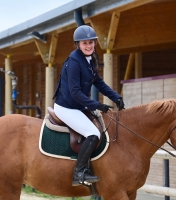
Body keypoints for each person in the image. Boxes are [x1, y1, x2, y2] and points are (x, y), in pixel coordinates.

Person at [52, 25, 125, 186]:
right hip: (66, 107)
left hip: (77, 106)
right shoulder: (73, 62)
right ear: (78, 44)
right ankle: (79, 173)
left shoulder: (91, 59)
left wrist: (116, 97)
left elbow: (98, 82)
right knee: (93, 133)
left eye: (91, 42)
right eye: (85, 43)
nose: (88, 46)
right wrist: (98, 105)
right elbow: (75, 92)